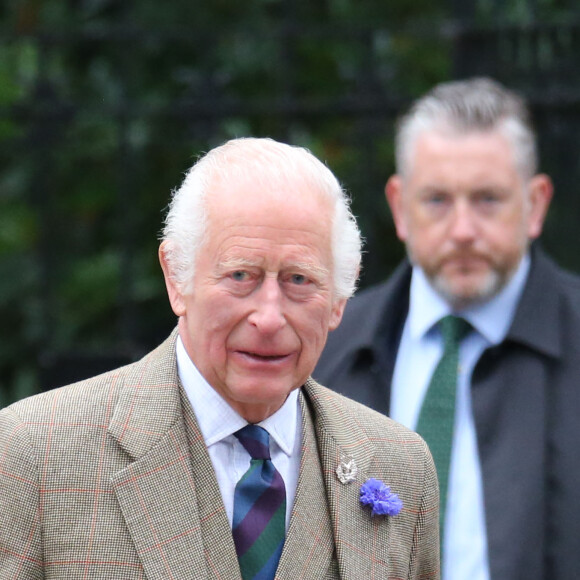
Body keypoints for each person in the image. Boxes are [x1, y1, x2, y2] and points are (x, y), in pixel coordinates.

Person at [0, 137, 439, 579]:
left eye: (299, 279)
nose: (269, 317)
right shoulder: (33, 455)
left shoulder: (399, 464)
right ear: (176, 277)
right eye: (241, 275)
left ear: (340, 298)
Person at [314, 78, 580, 580]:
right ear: (399, 206)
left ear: (536, 204)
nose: (462, 229)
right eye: (437, 200)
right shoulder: (328, 346)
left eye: (487, 199)